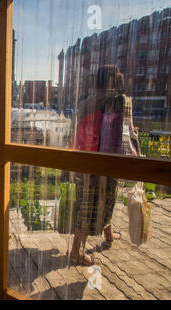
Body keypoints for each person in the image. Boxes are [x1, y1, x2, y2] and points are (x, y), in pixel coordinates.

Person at [70, 65, 139, 266]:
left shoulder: (85, 103)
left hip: (85, 160)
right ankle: (76, 252)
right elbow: (126, 129)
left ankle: (108, 235)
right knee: (99, 201)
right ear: (113, 81)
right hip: (106, 160)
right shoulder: (119, 101)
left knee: (91, 202)